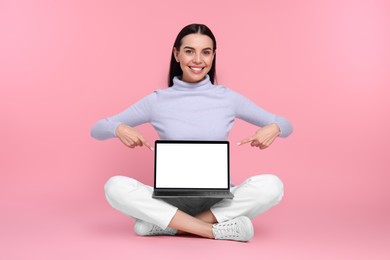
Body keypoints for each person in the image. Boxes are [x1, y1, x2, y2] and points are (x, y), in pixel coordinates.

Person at [91, 23, 293, 242]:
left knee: (272, 186)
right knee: (115, 187)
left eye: (206, 52)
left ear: (213, 56)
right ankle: (210, 230)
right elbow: (97, 129)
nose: (198, 60)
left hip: (217, 200)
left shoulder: (228, 98)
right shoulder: (157, 101)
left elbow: (285, 124)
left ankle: (173, 225)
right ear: (176, 54)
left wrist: (275, 127)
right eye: (189, 51)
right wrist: (118, 127)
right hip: (170, 199)